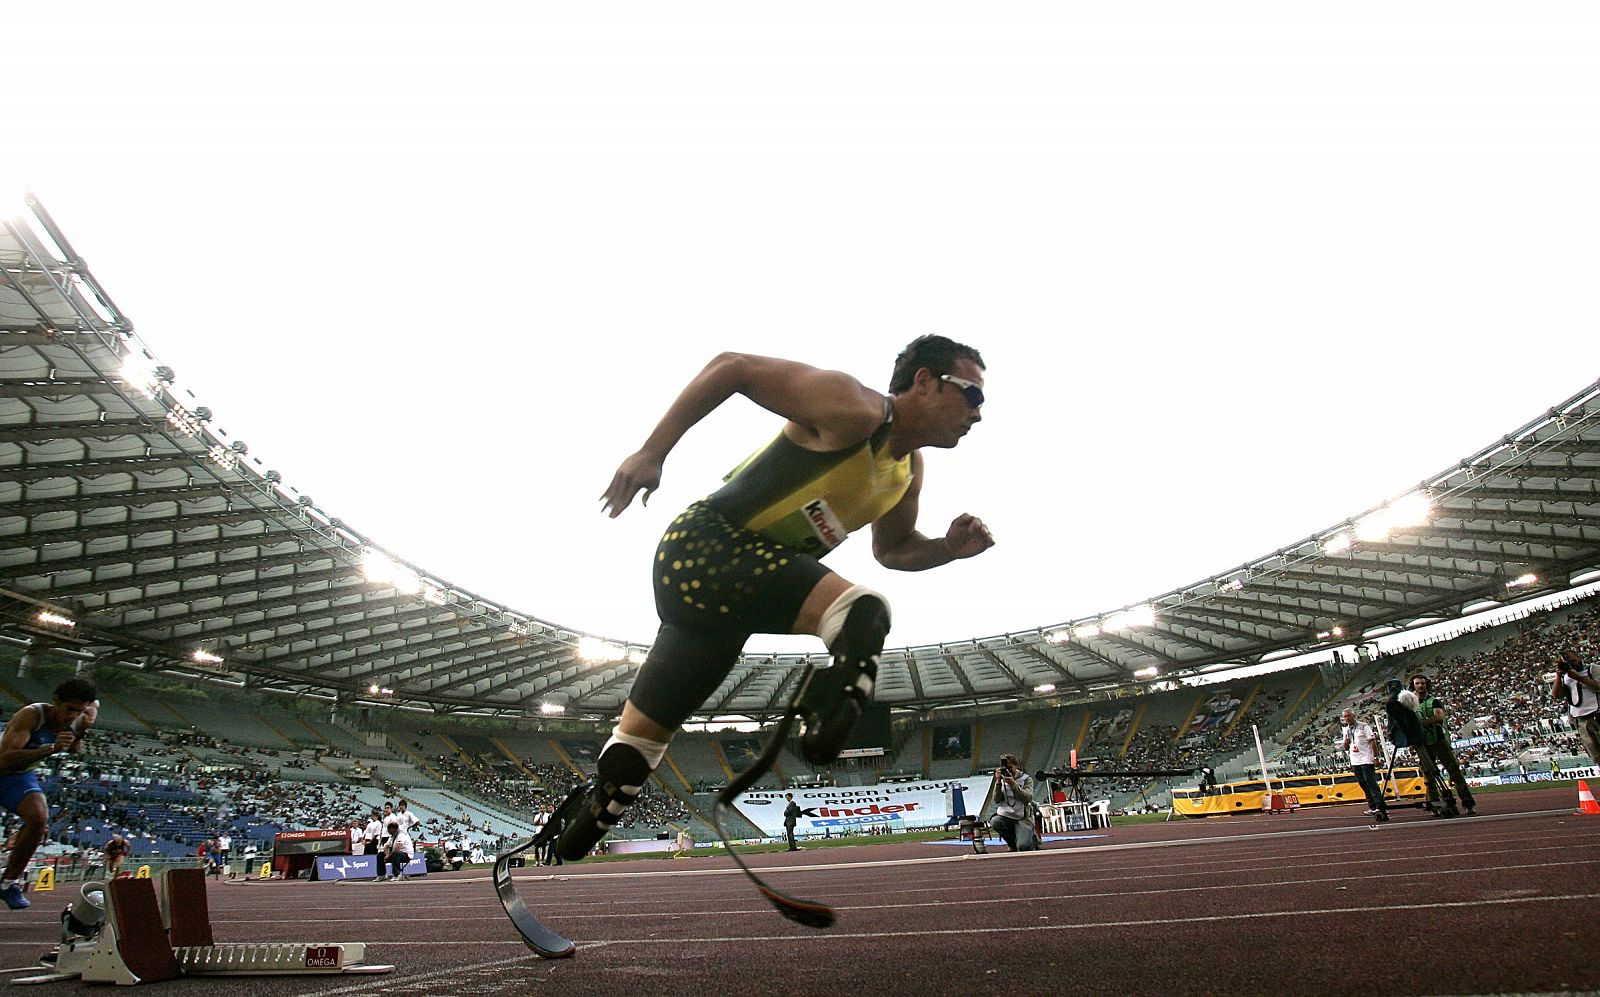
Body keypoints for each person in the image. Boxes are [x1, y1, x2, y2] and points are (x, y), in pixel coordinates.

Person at [557, 337, 994, 861]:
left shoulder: (908, 471)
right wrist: (652, 451)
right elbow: (732, 366)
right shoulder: (855, 409)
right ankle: (821, 723)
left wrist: (947, 549)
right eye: (972, 395)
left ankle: (577, 830)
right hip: (705, 547)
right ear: (924, 381)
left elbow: (894, 549)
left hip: (726, 605)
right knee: (861, 612)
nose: (978, 414)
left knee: (639, 751)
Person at [0, 678, 98, 910]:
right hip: (6, 767)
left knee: (39, 818)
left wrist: (81, 732)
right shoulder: (31, 715)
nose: (72, 715)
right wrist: (51, 749)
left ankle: (8, 882)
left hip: (19, 777)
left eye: (79, 710)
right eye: (69, 709)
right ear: (56, 702)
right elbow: (4, 760)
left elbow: (75, 748)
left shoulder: (80, 719)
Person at [1411, 675, 1477, 816]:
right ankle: (1435, 806)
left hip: (1438, 740)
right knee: (1429, 777)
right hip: (1423, 743)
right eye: (1417, 683)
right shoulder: (1411, 704)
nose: (1420, 685)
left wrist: (1419, 724)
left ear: (1427, 684)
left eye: (1422, 683)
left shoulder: (1433, 701)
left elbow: (1439, 716)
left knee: (1454, 773)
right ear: (1413, 686)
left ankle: (1468, 804)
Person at [1551, 648, 1600, 766]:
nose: (1572, 664)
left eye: (1573, 660)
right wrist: (1558, 675)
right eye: (1569, 663)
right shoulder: (1564, 677)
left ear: (1579, 657)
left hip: (1597, 715)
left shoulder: (1592, 669)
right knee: (1596, 756)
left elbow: (1598, 686)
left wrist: (1578, 677)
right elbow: (1555, 695)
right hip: (1581, 720)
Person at [1339, 709, 1388, 822]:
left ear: (1354, 715)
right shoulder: (1346, 730)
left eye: (1348, 716)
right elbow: (1346, 747)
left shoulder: (1363, 726)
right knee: (1363, 783)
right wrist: (1345, 744)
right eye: (1345, 717)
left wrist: (1375, 757)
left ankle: (1380, 806)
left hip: (1366, 758)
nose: (1347, 718)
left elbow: (1372, 741)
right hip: (1355, 760)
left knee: (1370, 782)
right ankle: (1372, 806)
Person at [989, 754, 1039, 851]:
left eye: (1010, 767)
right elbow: (997, 800)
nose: (1008, 771)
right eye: (1006, 768)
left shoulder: (1026, 779)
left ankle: (1033, 839)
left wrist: (1013, 784)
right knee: (995, 822)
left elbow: (1027, 798)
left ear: (1016, 765)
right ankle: (1012, 843)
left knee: (1023, 847)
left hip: (1023, 818)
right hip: (1006, 816)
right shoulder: (1002, 780)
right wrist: (998, 782)